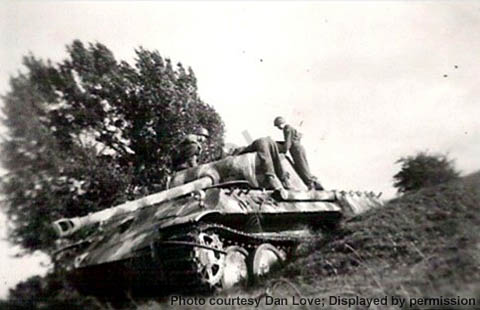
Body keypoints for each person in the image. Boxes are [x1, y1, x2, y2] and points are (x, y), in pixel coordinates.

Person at [273, 116, 324, 190]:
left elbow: (288, 144)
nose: (278, 128)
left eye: (278, 126)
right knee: (302, 167)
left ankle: (311, 184)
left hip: (296, 150)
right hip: (297, 149)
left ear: (280, 124)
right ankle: (312, 183)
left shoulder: (287, 128)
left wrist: (282, 151)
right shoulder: (290, 128)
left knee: (302, 167)